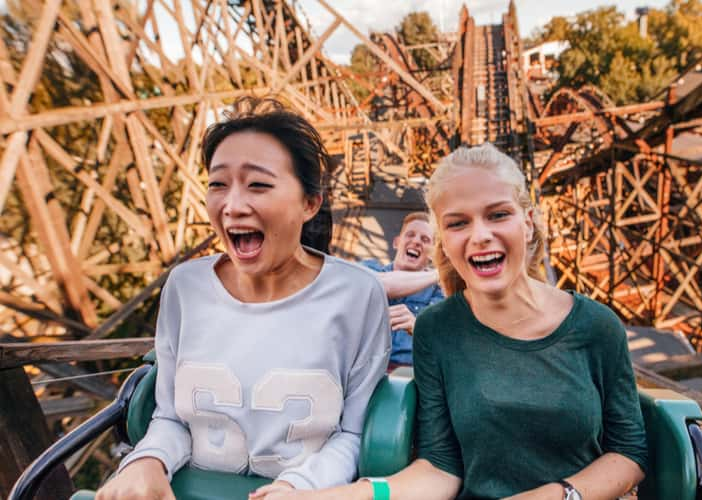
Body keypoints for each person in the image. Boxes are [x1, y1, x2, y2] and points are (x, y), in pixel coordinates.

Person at [309, 143, 648, 500]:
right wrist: (346, 495)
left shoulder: (596, 326)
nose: (480, 235)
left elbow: (629, 452)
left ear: (528, 224)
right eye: (458, 223)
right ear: (445, 240)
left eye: (498, 215)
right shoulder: (436, 330)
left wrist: (557, 495)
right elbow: (441, 467)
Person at [95, 97, 390, 500]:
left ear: (310, 203)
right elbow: (171, 418)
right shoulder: (184, 287)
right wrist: (148, 459)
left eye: (258, 185)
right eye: (218, 184)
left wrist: (295, 488)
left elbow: (355, 433)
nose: (232, 206)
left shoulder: (358, 295)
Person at [361, 212, 444, 368]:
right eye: (410, 235)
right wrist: (441, 273)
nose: (416, 241)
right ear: (396, 242)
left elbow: (443, 345)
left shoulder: (438, 292)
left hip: (407, 373)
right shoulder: (369, 268)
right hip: (362, 370)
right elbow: (381, 284)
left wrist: (418, 328)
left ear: (433, 253)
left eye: (425, 239)